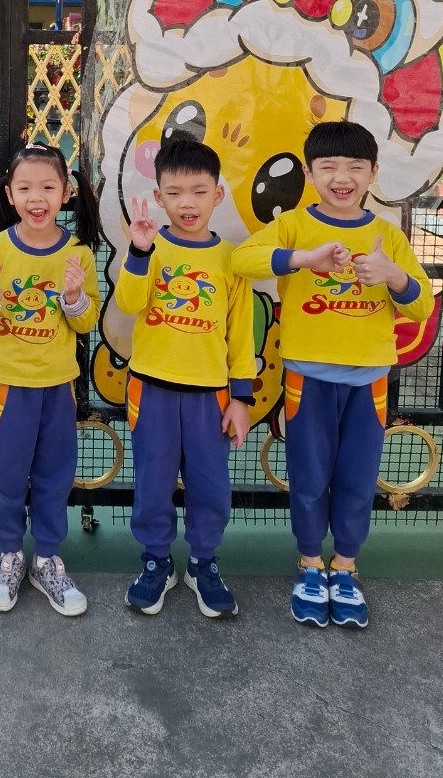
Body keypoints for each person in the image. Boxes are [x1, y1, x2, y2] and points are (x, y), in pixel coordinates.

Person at [232, 120, 433, 629]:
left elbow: (422, 306)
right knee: (309, 476)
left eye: (354, 167)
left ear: (373, 173)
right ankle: (309, 564)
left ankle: (344, 567)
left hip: (369, 382)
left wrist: (394, 277)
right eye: (329, 167)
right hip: (307, 378)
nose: (342, 178)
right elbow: (242, 259)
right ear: (309, 173)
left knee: (357, 479)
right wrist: (302, 259)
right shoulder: (294, 226)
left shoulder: (388, 236)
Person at [0, 142, 101, 616]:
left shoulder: (78, 254)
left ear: (66, 193)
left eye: (47, 187)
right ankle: (10, 555)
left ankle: (46, 559)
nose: (36, 197)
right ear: (9, 194)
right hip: (2, 383)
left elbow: (86, 320)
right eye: (25, 188)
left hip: (57, 385)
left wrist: (74, 297)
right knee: (4, 472)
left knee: (54, 473)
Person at [116, 139, 255, 618]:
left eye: (198, 191)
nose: (187, 203)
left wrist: (241, 398)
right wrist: (138, 252)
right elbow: (128, 303)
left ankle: (202, 563)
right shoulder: (149, 247)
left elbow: (241, 338)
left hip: (209, 398)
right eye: (174, 193)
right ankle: (156, 561)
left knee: (210, 486)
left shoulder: (231, 260)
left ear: (218, 195)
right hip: (150, 390)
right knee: (152, 483)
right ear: (159, 197)